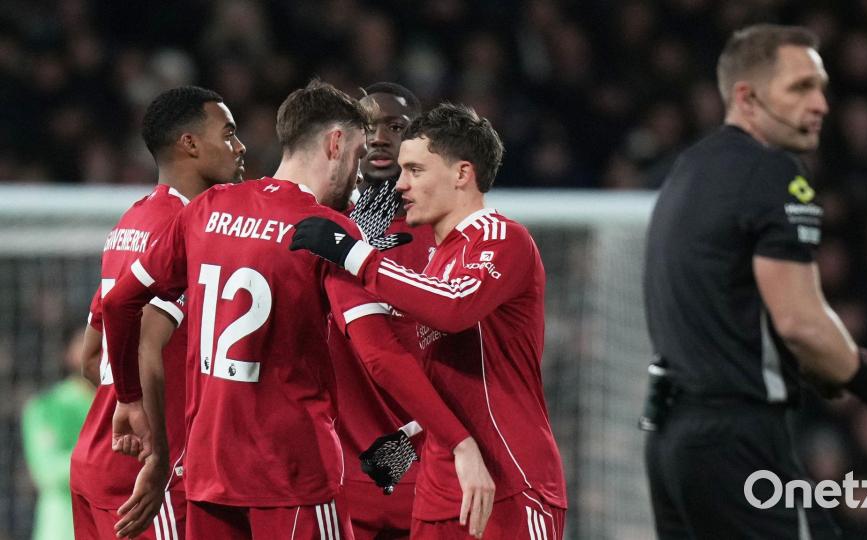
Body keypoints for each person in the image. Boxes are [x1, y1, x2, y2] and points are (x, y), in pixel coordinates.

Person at [102, 80, 495, 540]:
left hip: (213, 472)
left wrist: (128, 397)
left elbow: (117, 302)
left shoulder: (209, 208)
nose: (361, 169)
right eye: (358, 151)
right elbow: (380, 355)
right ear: (335, 144)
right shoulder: (331, 234)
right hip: (294, 472)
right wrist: (461, 442)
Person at [641, 24, 867, 539]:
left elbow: (736, 314)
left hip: (671, 440)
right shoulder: (773, 173)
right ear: (747, 98)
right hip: (735, 438)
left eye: (821, 87)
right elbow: (801, 321)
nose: (820, 103)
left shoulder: (688, 171)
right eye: (800, 88)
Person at [290, 102, 568, 539]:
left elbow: (454, 309)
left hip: (510, 480)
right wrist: (409, 443)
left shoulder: (503, 238)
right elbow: (447, 379)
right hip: (441, 487)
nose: (400, 185)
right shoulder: (436, 264)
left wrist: (356, 255)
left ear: (462, 174)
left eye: (416, 170)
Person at [70, 85, 246, 540]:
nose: (240, 146)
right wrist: (158, 444)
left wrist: (123, 402)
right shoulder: (189, 230)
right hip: (149, 475)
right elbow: (148, 340)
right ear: (189, 143)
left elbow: (91, 357)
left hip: (95, 458)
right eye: (228, 133)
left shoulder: (131, 220)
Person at [332, 82, 429, 540]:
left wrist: (393, 461)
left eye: (396, 126)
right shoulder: (324, 228)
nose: (380, 138)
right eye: (368, 126)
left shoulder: (438, 233)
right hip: (335, 470)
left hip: (417, 471)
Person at [21, 328, 95, 540]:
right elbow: (47, 471)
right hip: (63, 530)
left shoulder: (128, 405)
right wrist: (106, 455)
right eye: (86, 340)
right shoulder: (45, 407)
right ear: (68, 352)